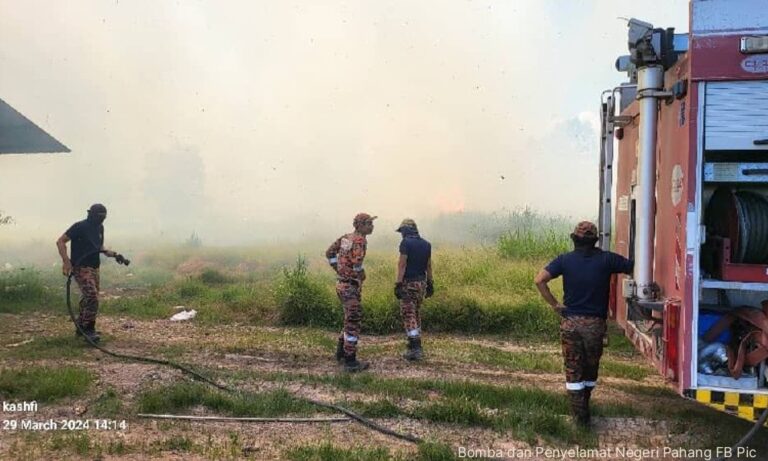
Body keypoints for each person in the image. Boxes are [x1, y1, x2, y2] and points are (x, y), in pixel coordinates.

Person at [533, 221, 633, 427]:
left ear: (574, 239)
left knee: (572, 369)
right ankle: (584, 404)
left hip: (570, 323)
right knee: (590, 369)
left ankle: (580, 416)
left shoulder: (564, 260)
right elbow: (634, 266)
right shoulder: (607, 260)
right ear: (595, 240)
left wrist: (555, 305)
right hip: (595, 326)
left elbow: (539, 280)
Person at [56, 204, 119, 343]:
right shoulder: (79, 226)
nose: (101, 219)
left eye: (103, 217)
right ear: (91, 214)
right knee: (92, 296)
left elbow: (98, 247)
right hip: (81, 267)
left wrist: (113, 254)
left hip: (95, 267)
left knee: (88, 297)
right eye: (99, 216)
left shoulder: (100, 228)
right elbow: (60, 241)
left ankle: (81, 325)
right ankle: (89, 329)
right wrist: (66, 262)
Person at [325, 212, 376, 372]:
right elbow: (357, 263)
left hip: (341, 284)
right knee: (353, 321)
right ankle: (350, 361)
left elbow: (329, 253)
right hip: (350, 285)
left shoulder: (346, 237)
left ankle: (341, 352)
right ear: (360, 225)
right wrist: (360, 275)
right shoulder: (360, 240)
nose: (372, 226)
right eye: (368, 223)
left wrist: (338, 269)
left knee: (349, 318)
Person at [394, 218, 433, 361]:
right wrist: (430, 284)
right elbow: (428, 266)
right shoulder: (426, 244)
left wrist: (398, 284)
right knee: (416, 312)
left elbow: (402, 265)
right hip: (421, 283)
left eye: (402, 231)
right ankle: (414, 343)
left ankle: (415, 348)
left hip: (408, 283)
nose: (401, 234)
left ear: (405, 230)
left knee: (408, 313)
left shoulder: (405, 243)